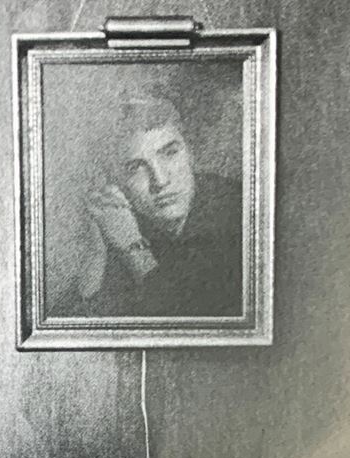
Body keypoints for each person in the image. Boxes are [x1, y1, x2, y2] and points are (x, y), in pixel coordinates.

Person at [66, 94, 243, 318]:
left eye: (170, 153)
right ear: (114, 181)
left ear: (191, 153)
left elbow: (188, 320)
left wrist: (133, 249)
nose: (160, 181)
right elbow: (76, 323)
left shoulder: (237, 210)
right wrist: (96, 253)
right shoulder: (125, 221)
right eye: (135, 167)